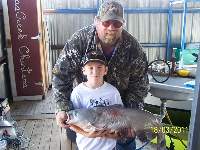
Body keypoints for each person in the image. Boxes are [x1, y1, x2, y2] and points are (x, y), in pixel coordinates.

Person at [52, 1, 149, 150]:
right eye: (106, 22)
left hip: (120, 119)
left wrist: (130, 121)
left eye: (116, 23)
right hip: (87, 118)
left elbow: (139, 86)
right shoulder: (79, 41)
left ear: (123, 24)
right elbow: (60, 77)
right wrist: (62, 108)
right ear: (96, 21)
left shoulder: (133, 49)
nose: (111, 27)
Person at [69, 51, 124, 150]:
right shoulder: (77, 92)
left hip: (109, 147)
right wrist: (87, 134)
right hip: (85, 147)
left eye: (99, 67)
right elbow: (71, 123)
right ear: (83, 70)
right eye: (90, 67)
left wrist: (116, 134)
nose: (95, 71)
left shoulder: (113, 92)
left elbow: (121, 117)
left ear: (105, 70)